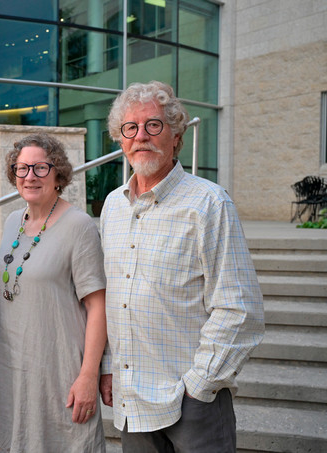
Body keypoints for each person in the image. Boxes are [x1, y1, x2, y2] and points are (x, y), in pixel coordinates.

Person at [99, 80, 265, 452]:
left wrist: (199, 385)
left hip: (192, 403)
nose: (141, 135)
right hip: (133, 401)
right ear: (121, 140)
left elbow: (240, 308)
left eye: (153, 125)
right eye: (131, 128)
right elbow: (114, 296)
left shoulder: (209, 203)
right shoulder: (112, 206)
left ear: (176, 136)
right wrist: (109, 365)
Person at [0, 133, 107, 452]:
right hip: (10, 373)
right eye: (21, 168)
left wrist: (88, 376)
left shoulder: (78, 226)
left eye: (40, 168)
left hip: (57, 373)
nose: (30, 176)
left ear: (59, 173)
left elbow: (98, 306)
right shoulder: (13, 221)